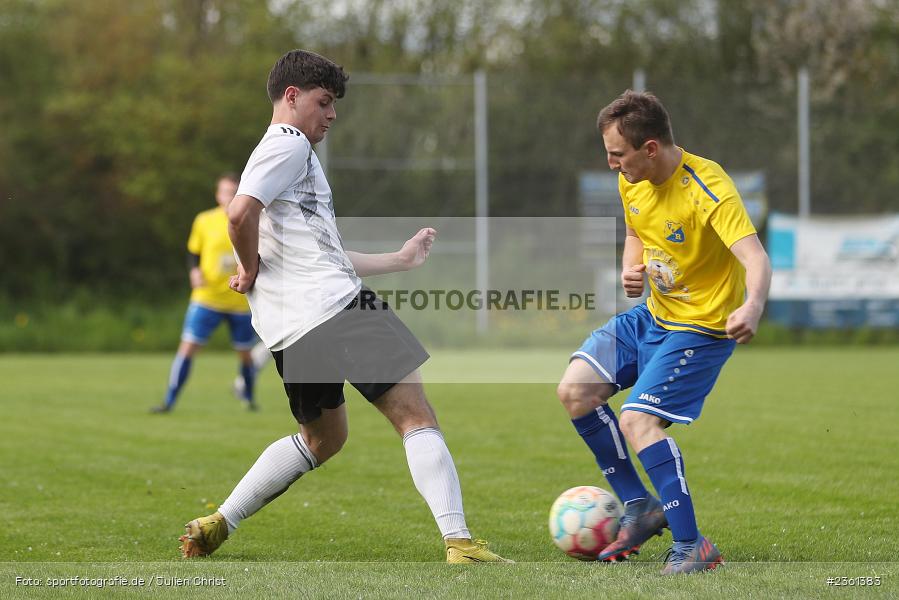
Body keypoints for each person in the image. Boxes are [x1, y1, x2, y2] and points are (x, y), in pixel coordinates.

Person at [178, 49, 510, 564]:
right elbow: (239, 215)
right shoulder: (289, 144)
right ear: (292, 97)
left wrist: (398, 260)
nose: (332, 114)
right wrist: (247, 267)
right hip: (338, 308)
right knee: (415, 417)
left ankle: (219, 521)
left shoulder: (274, 156)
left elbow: (322, 254)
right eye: (324, 101)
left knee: (321, 439)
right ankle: (459, 542)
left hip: (292, 331)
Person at [556, 90, 771, 575]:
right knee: (575, 391)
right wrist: (630, 267)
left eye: (618, 154)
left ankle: (692, 545)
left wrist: (753, 305)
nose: (612, 164)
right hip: (653, 316)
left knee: (638, 421)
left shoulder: (708, 187)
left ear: (650, 148)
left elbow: (755, 257)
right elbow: (636, 234)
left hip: (701, 328)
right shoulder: (632, 180)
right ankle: (640, 506)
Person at [150, 174, 259, 414]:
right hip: (207, 298)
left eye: (234, 192)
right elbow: (193, 252)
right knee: (187, 348)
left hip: (239, 300)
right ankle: (168, 402)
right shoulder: (204, 220)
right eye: (226, 192)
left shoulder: (252, 220)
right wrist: (194, 271)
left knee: (245, 354)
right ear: (218, 195)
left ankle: (249, 399)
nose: (229, 196)